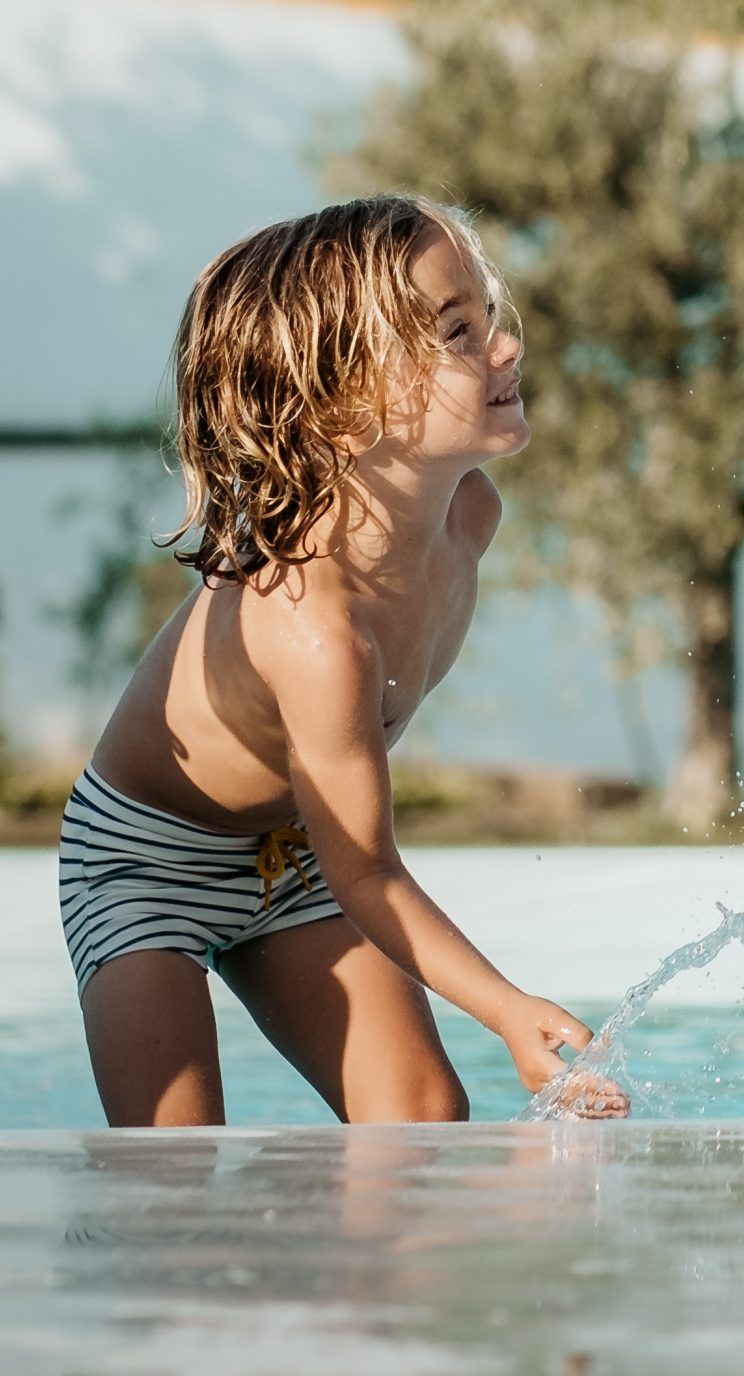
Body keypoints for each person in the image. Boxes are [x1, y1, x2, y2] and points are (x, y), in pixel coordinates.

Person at [60, 194, 626, 1127]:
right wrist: (506, 1010)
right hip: (149, 863)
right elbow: (367, 871)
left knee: (422, 1123)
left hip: (298, 852)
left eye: (489, 316)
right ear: (343, 407)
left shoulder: (470, 516)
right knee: (171, 1171)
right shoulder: (314, 628)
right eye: (457, 332)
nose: (506, 347)